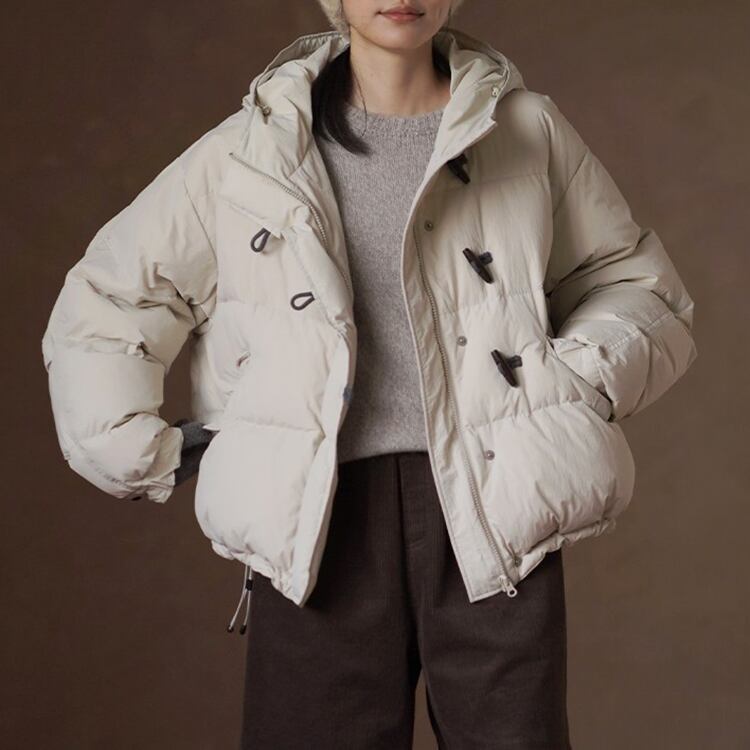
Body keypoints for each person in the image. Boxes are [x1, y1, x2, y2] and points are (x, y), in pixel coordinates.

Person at [40, 1, 698, 747]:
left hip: (496, 509)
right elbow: (114, 297)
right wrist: (132, 449)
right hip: (316, 524)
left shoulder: (525, 130)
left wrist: (567, 384)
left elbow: (637, 286)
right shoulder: (251, 153)